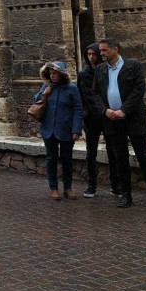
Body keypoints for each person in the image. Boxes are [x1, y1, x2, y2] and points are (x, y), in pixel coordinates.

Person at [93, 38, 146, 211]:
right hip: (112, 120)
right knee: (120, 158)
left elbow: (139, 90)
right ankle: (126, 195)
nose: (101, 54)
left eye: (104, 50)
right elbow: (95, 93)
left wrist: (124, 110)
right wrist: (106, 111)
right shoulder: (100, 69)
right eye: (100, 50)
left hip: (132, 118)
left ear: (115, 50)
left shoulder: (133, 65)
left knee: (143, 157)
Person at [33, 62, 83, 200]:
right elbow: (35, 101)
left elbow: (78, 109)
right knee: (51, 158)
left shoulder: (72, 88)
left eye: (54, 73)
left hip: (66, 129)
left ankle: (68, 188)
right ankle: (53, 188)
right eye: (50, 73)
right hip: (49, 128)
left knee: (67, 159)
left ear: (61, 74)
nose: (52, 76)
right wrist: (44, 94)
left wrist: (76, 129)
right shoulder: (47, 86)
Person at [77, 43, 119, 198]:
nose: (91, 57)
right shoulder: (84, 74)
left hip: (107, 117)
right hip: (91, 119)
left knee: (112, 151)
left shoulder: (106, 71)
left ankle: (115, 185)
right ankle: (91, 185)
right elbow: (83, 97)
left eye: (93, 54)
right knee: (90, 153)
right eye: (88, 54)